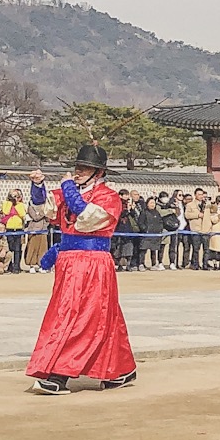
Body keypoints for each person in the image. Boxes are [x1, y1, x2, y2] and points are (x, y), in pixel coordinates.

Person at [26, 143, 137, 394]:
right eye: (77, 168)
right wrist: (38, 184)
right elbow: (44, 207)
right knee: (101, 315)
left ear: (98, 173)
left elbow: (85, 217)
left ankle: (60, 372)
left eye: (84, 168)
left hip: (92, 263)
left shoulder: (108, 198)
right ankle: (118, 368)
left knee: (81, 316)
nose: (78, 172)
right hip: (69, 262)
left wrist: (66, 187)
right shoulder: (69, 191)